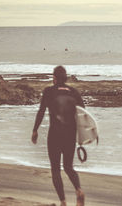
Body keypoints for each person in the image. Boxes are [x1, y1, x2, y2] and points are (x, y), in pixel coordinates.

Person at [31, 66, 85, 206]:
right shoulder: (74, 92)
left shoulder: (49, 91)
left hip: (55, 134)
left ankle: (63, 201)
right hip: (70, 135)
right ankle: (79, 190)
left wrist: (35, 130)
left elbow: (41, 111)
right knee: (68, 167)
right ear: (65, 77)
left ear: (54, 78)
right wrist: (82, 137)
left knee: (55, 169)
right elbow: (83, 115)